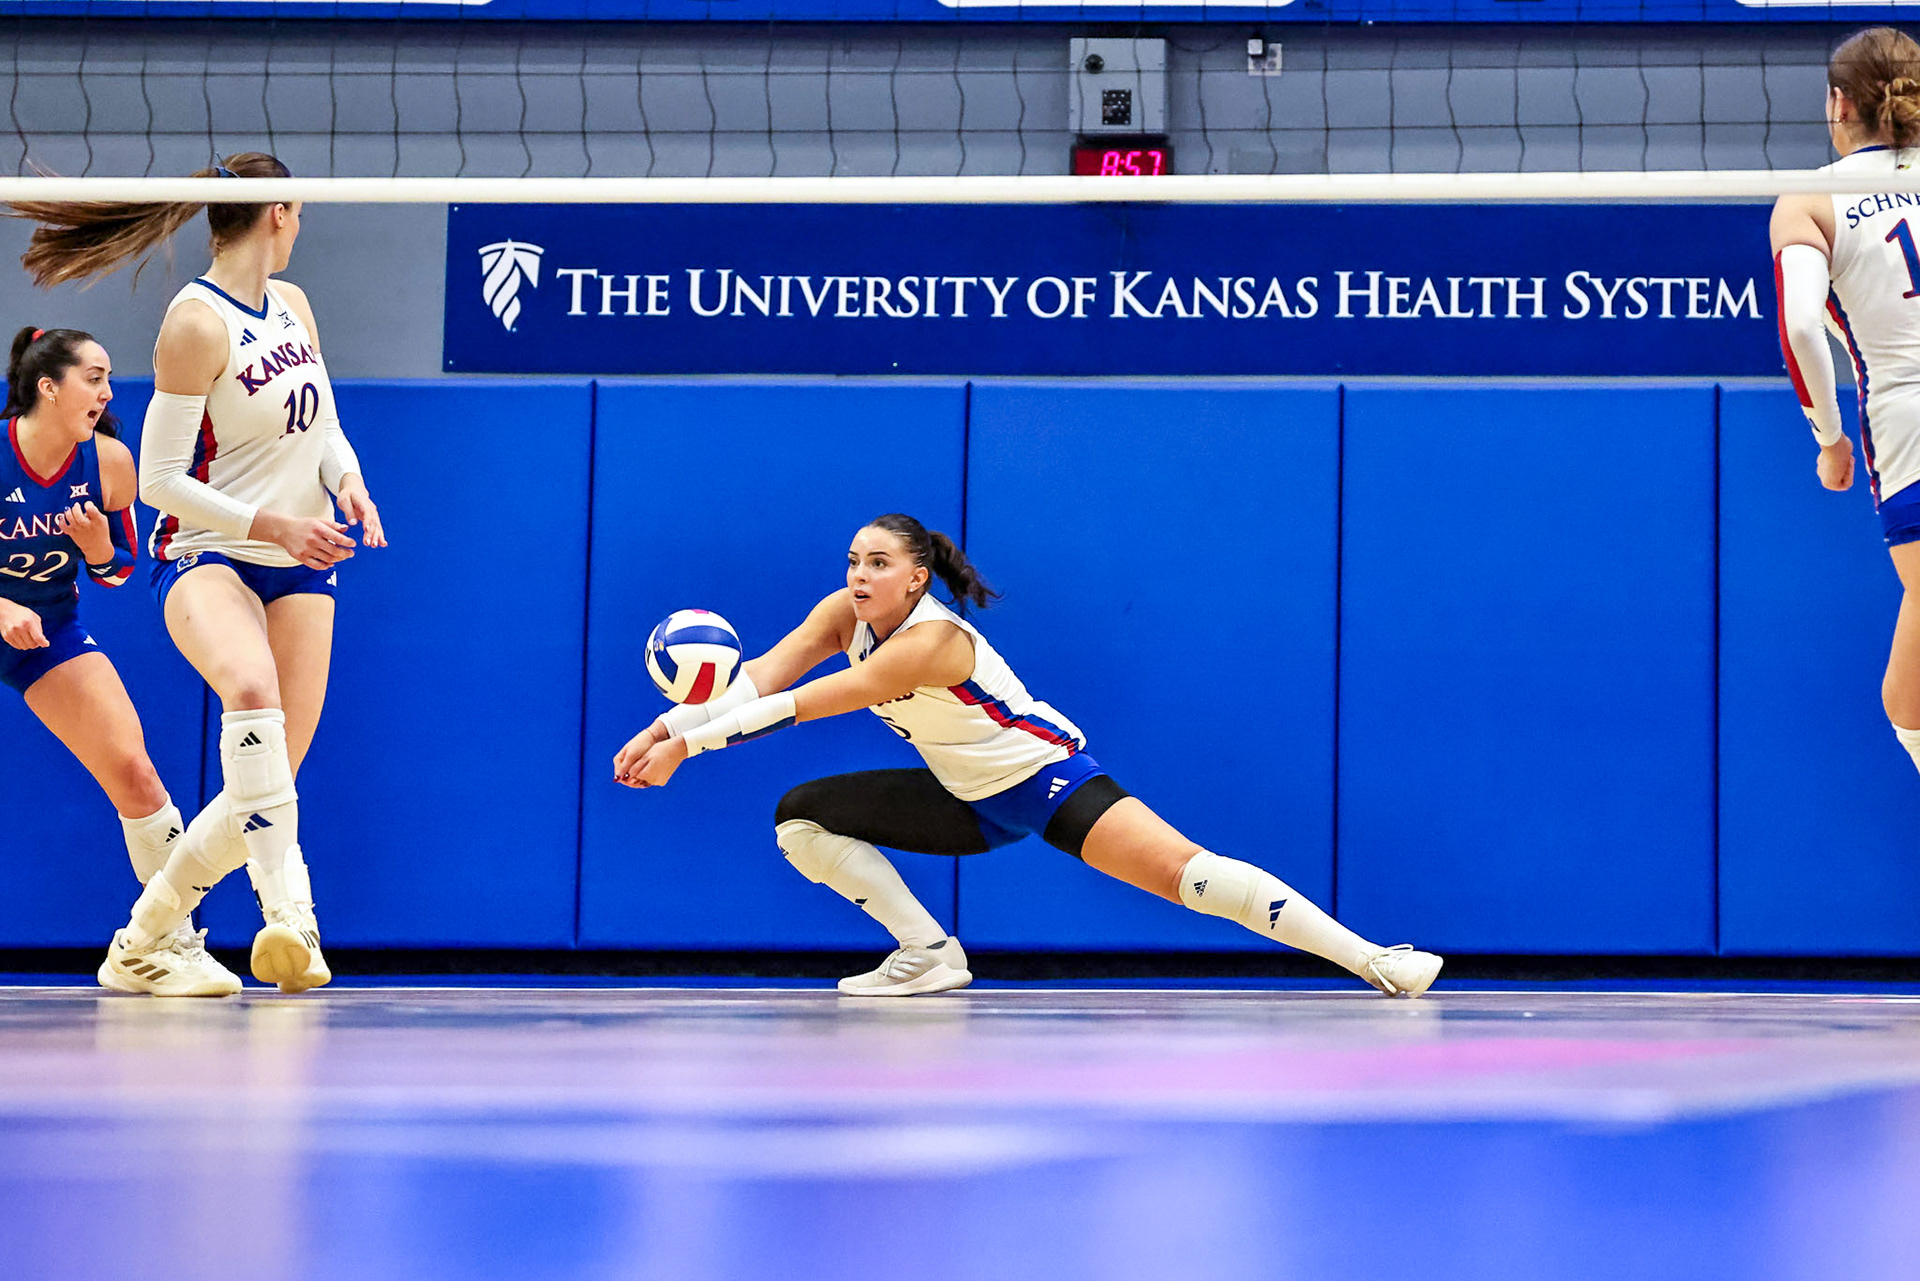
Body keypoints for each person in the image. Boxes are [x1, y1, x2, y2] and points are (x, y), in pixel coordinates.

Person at [614, 513, 1443, 997]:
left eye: (879, 563)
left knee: (1192, 876)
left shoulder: (932, 641)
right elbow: (761, 677)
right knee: (801, 818)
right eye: (853, 562)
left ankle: (1373, 959)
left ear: (917, 577)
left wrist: (684, 745)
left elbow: (799, 706)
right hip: (959, 794)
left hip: (1043, 780)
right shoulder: (843, 613)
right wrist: (663, 728)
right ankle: (930, 956)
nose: (859, 575)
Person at [13, 151, 385, 993]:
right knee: (251, 690)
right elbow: (156, 482)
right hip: (207, 554)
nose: (301, 226)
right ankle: (294, 918)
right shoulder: (195, 322)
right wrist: (272, 521)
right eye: (299, 212)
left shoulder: (293, 306)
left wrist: (348, 481)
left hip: (300, 557)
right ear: (278, 214)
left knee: (271, 776)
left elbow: (321, 425)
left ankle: (141, 941)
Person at [0, 326, 240, 996]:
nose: (107, 392)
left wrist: (102, 547)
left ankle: (166, 943)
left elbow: (119, 572)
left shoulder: (109, 462)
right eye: (93, 377)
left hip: (46, 631)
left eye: (108, 378)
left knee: (134, 769)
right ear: (47, 387)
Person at [1773, 28, 1920, 776]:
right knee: (1907, 700)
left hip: (1908, 426)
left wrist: (1828, 437)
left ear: (1838, 104)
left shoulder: (1813, 195)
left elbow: (1801, 323)